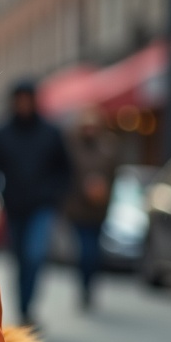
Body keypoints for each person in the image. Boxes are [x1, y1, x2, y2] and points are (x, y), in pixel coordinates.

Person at [0, 80, 71, 328]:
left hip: (41, 207)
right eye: (19, 99)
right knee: (20, 260)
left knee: (35, 255)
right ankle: (24, 311)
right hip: (14, 207)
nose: (23, 104)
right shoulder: (1, 134)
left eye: (27, 98)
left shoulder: (50, 133)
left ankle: (28, 307)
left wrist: (54, 195)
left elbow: (64, 170)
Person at [63, 107, 119, 310]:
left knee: (94, 251)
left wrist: (103, 192)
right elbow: (67, 175)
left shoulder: (108, 146)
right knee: (84, 250)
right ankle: (84, 286)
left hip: (98, 209)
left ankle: (90, 286)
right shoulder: (72, 146)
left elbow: (114, 176)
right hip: (77, 208)